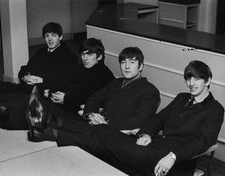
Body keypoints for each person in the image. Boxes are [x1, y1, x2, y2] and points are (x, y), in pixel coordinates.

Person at [28, 60, 223, 176]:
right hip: (152, 145)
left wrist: (172, 157)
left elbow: (203, 142)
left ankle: (50, 128)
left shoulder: (215, 109)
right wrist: (146, 133)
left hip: (171, 160)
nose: (191, 83)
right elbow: (159, 119)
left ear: (207, 80)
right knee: (102, 130)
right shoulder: (182, 98)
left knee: (105, 139)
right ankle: (50, 127)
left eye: (197, 78)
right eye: (189, 78)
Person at [26, 46, 160, 144]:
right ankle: (44, 121)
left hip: (118, 132)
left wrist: (105, 121)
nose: (126, 67)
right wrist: (91, 114)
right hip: (98, 124)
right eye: (123, 62)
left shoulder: (149, 90)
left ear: (141, 66)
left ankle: (45, 130)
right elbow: (95, 98)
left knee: (80, 131)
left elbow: (139, 120)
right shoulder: (116, 83)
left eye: (132, 62)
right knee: (67, 117)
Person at [0, 38, 114, 131]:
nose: (85, 58)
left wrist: (65, 99)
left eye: (90, 54)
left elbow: (91, 97)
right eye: (83, 54)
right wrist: (55, 92)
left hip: (77, 112)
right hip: (62, 103)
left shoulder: (104, 74)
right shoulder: (80, 67)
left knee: (38, 110)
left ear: (99, 57)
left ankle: (2, 113)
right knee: (30, 105)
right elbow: (63, 81)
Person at [0, 22, 78, 133]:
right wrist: (24, 77)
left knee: (6, 101)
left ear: (61, 37)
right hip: (25, 85)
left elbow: (66, 81)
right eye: (46, 36)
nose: (50, 39)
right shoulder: (41, 52)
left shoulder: (69, 57)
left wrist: (43, 80)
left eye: (53, 35)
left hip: (38, 92)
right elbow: (25, 68)